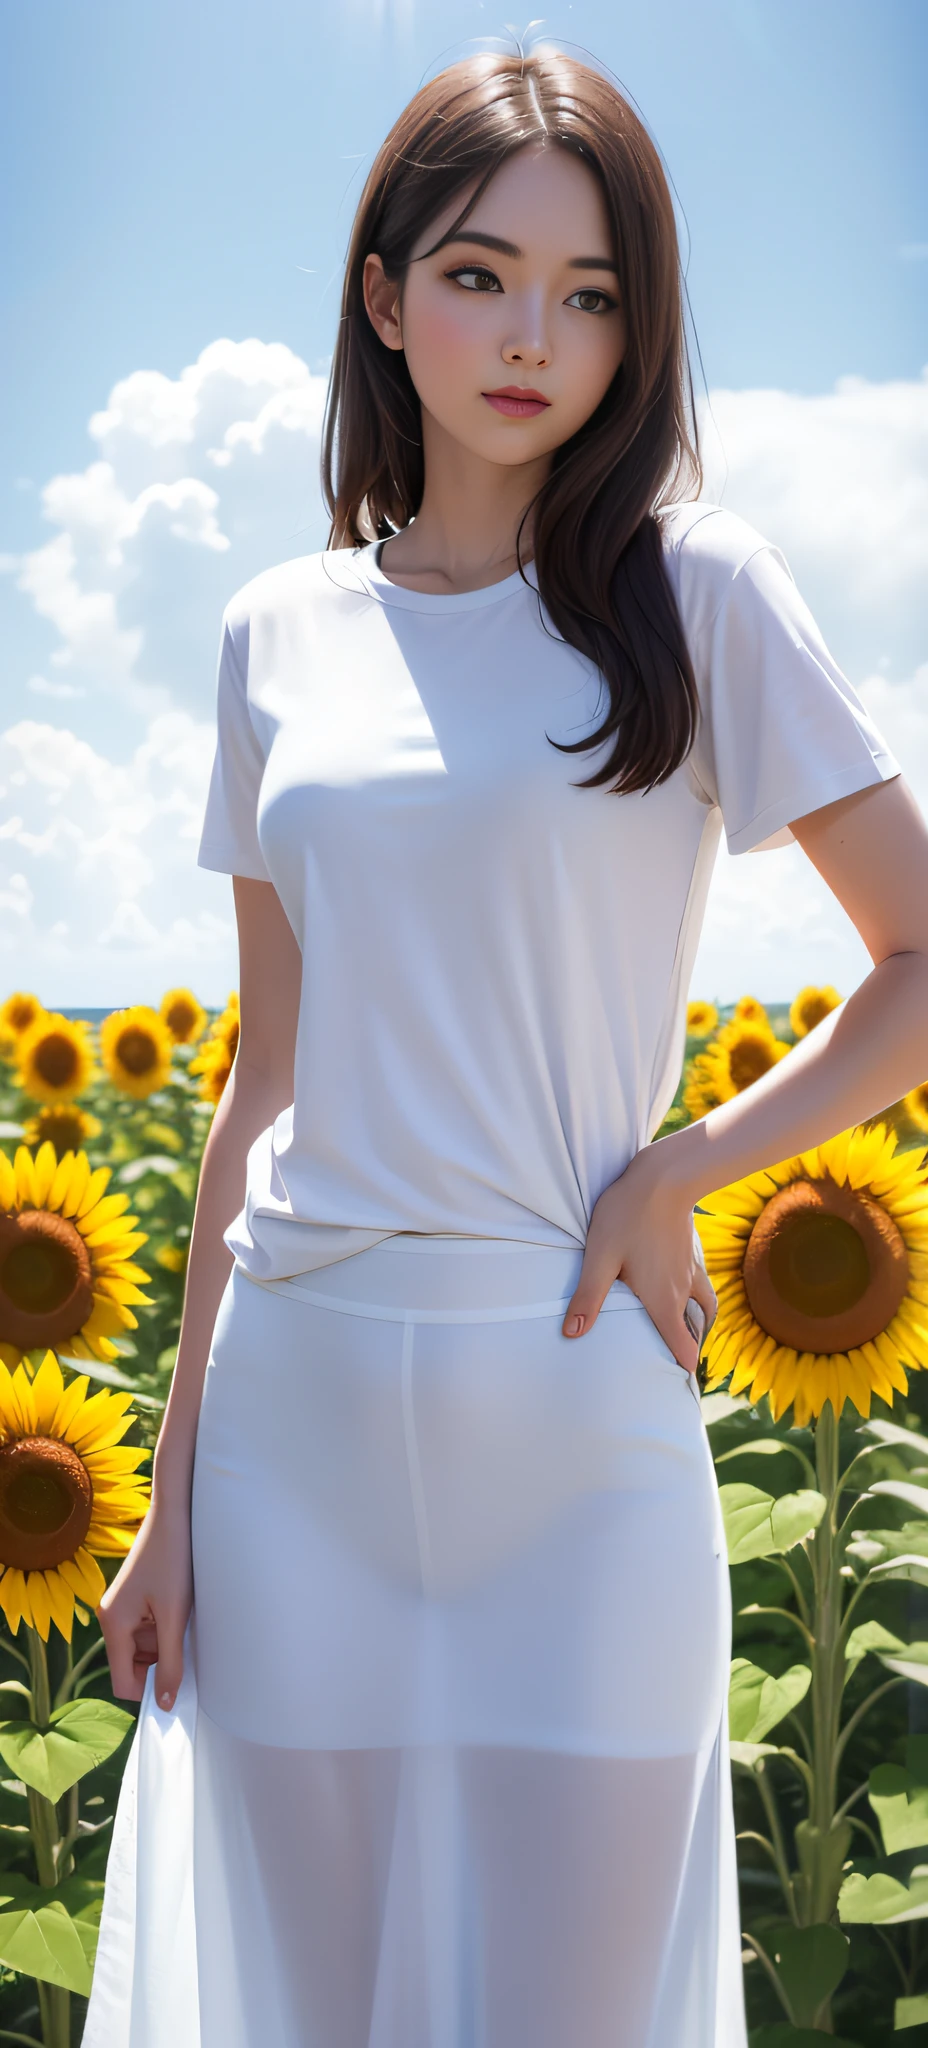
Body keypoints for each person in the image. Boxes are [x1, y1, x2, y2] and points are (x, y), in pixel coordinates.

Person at [84, 46, 928, 2048]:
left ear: (637, 325)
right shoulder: (271, 633)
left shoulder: (691, 590)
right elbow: (255, 1077)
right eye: (479, 275)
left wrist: (677, 1172)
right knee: (305, 2008)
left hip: (571, 1426)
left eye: (591, 289)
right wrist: (170, 1488)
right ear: (383, 297)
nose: (533, 335)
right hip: (290, 1428)